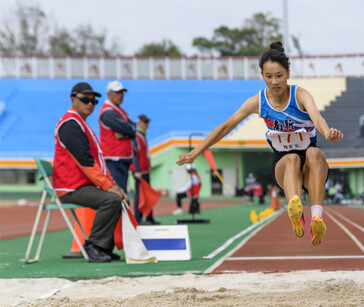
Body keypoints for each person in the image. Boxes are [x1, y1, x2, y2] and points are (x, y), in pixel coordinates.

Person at [176, 42, 343, 246]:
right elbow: (226, 127)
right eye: (269, 76)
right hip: (284, 167)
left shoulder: (300, 95)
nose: (274, 82)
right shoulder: (259, 101)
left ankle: (317, 218)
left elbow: (317, 118)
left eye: (279, 76)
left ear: (288, 73)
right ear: (262, 75)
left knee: (315, 153)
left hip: (310, 169)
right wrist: (195, 153)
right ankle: (296, 211)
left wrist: (327, 132)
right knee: (290, 158)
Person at [53, 82, 127, 263]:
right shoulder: (70, 125)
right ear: (73, 100)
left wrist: (113, 185)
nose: (90, 104)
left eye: (93, 101)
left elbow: (98, 163)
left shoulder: (80, 124)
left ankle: (104, 247)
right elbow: (86, 162)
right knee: (111, 201)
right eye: (85, 99)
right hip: (70, 188)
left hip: (82, 185)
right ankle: (93, 245)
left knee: (118, 198)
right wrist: (109, 186)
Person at [98, 80, 136, 193]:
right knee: (119, 193)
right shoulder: (108, 113)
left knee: (121, 191)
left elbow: (133, 128)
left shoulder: (119, 111)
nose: (120, 95)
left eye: (122, 93)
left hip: (121, 159)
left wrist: (125, 134)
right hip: (114, 159)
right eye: (117, 92)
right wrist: (129, 133)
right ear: (109, 94)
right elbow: (130, 130)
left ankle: (121, 211)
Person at [131, 114, 160, 225]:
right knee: (139, 195)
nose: (146, 124)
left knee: (148, 195)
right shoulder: (137, 136)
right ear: (139, 123)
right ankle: (138, 219)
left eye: (147, 122)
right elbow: (134, 154)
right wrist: (136, 170)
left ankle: (149, 217)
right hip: (140, 172)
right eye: (144, 122)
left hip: (145, 170)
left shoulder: (143, 136)